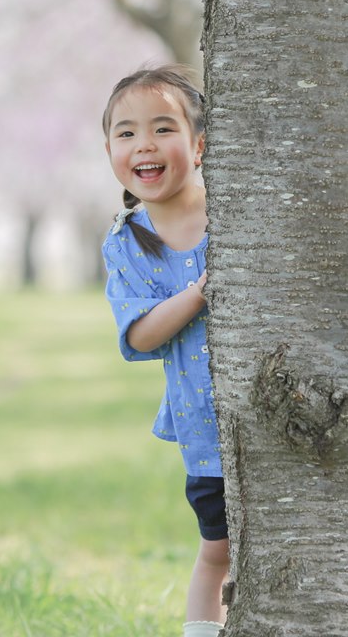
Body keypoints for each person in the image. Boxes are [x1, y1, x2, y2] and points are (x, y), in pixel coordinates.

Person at [101, 64, 229, 637]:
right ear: (109, 150)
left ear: (200, 145)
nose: (144, 144)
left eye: (163, 128)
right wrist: (201, 292)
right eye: (126, 133)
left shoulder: (239, 216)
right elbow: (141, 335)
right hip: (205, 434)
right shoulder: (126, 242)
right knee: (218, 550)